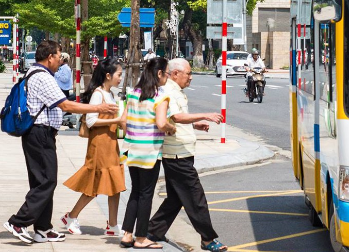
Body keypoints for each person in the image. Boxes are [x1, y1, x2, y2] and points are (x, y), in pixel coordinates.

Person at [3, 40, 117, 244]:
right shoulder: (43, 77)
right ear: (50, 58)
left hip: (39, 134)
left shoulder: (35, 73)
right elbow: (65, 105)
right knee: (47, 181)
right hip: (40, 134)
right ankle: (18, 222)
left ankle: (43, 229)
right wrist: (98, 109)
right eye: (59, 56)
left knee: (42, 181)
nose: (61, 60)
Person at [147, 58, 227, 252]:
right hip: (177, 155)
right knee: (195, 196)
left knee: (176, 198)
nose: (190, 77)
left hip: (181, 152)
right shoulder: (168, 91)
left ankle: (153, 231)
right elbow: (176, 117)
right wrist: (205, 115)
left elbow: (178, 119)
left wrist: (194, 124)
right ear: (175, 74)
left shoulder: (175, 91)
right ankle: (208, 239)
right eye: (188, 73)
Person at [60, 57, 127, 237]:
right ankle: (71, 216)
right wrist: (117, 120)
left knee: (116, 185)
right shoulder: (98, 94)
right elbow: (91, 121)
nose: (121, 78)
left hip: (111, 145)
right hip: (99, 146)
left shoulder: (111, 94)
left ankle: (112, 225)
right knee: (94, 186)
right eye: (119, 75)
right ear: (108, 75)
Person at [120, 57, 175, 249]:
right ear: (159, 73)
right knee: (146, 194)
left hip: (132, 149)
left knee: (135, 191)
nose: (167, 77)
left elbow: (123, 121)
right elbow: (161, 123)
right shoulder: (160, 96)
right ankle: (141, 237)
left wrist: (135, 133)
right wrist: (171, 128)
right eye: (167, 73)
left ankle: (127, 234)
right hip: (150, 151)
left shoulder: (134, 93)